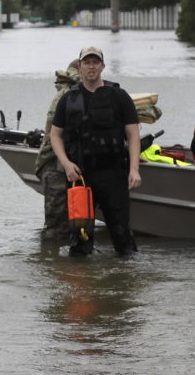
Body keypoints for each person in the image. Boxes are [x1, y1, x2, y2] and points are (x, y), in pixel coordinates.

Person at [49, 46, 141, 257]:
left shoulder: (119, 96)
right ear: (80, 67)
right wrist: (66, 164)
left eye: (95, 62)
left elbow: (133, 134)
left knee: (123, 238)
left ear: (102, 66)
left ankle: (125, 283)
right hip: (80, 176)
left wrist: (134, 169)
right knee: (80, 239)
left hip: (114, 174)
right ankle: (80, 284)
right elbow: (55, 135)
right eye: (87, 63)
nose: (91, 67)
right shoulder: (68, 99)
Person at [34, 59, 79, 241]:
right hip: (55, 166)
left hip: (65, 165)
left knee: (72, 222)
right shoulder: (66, 96)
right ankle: (51, 263)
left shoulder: (70, 93)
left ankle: (58, 264)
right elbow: (55, 135)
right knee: (57, 226)